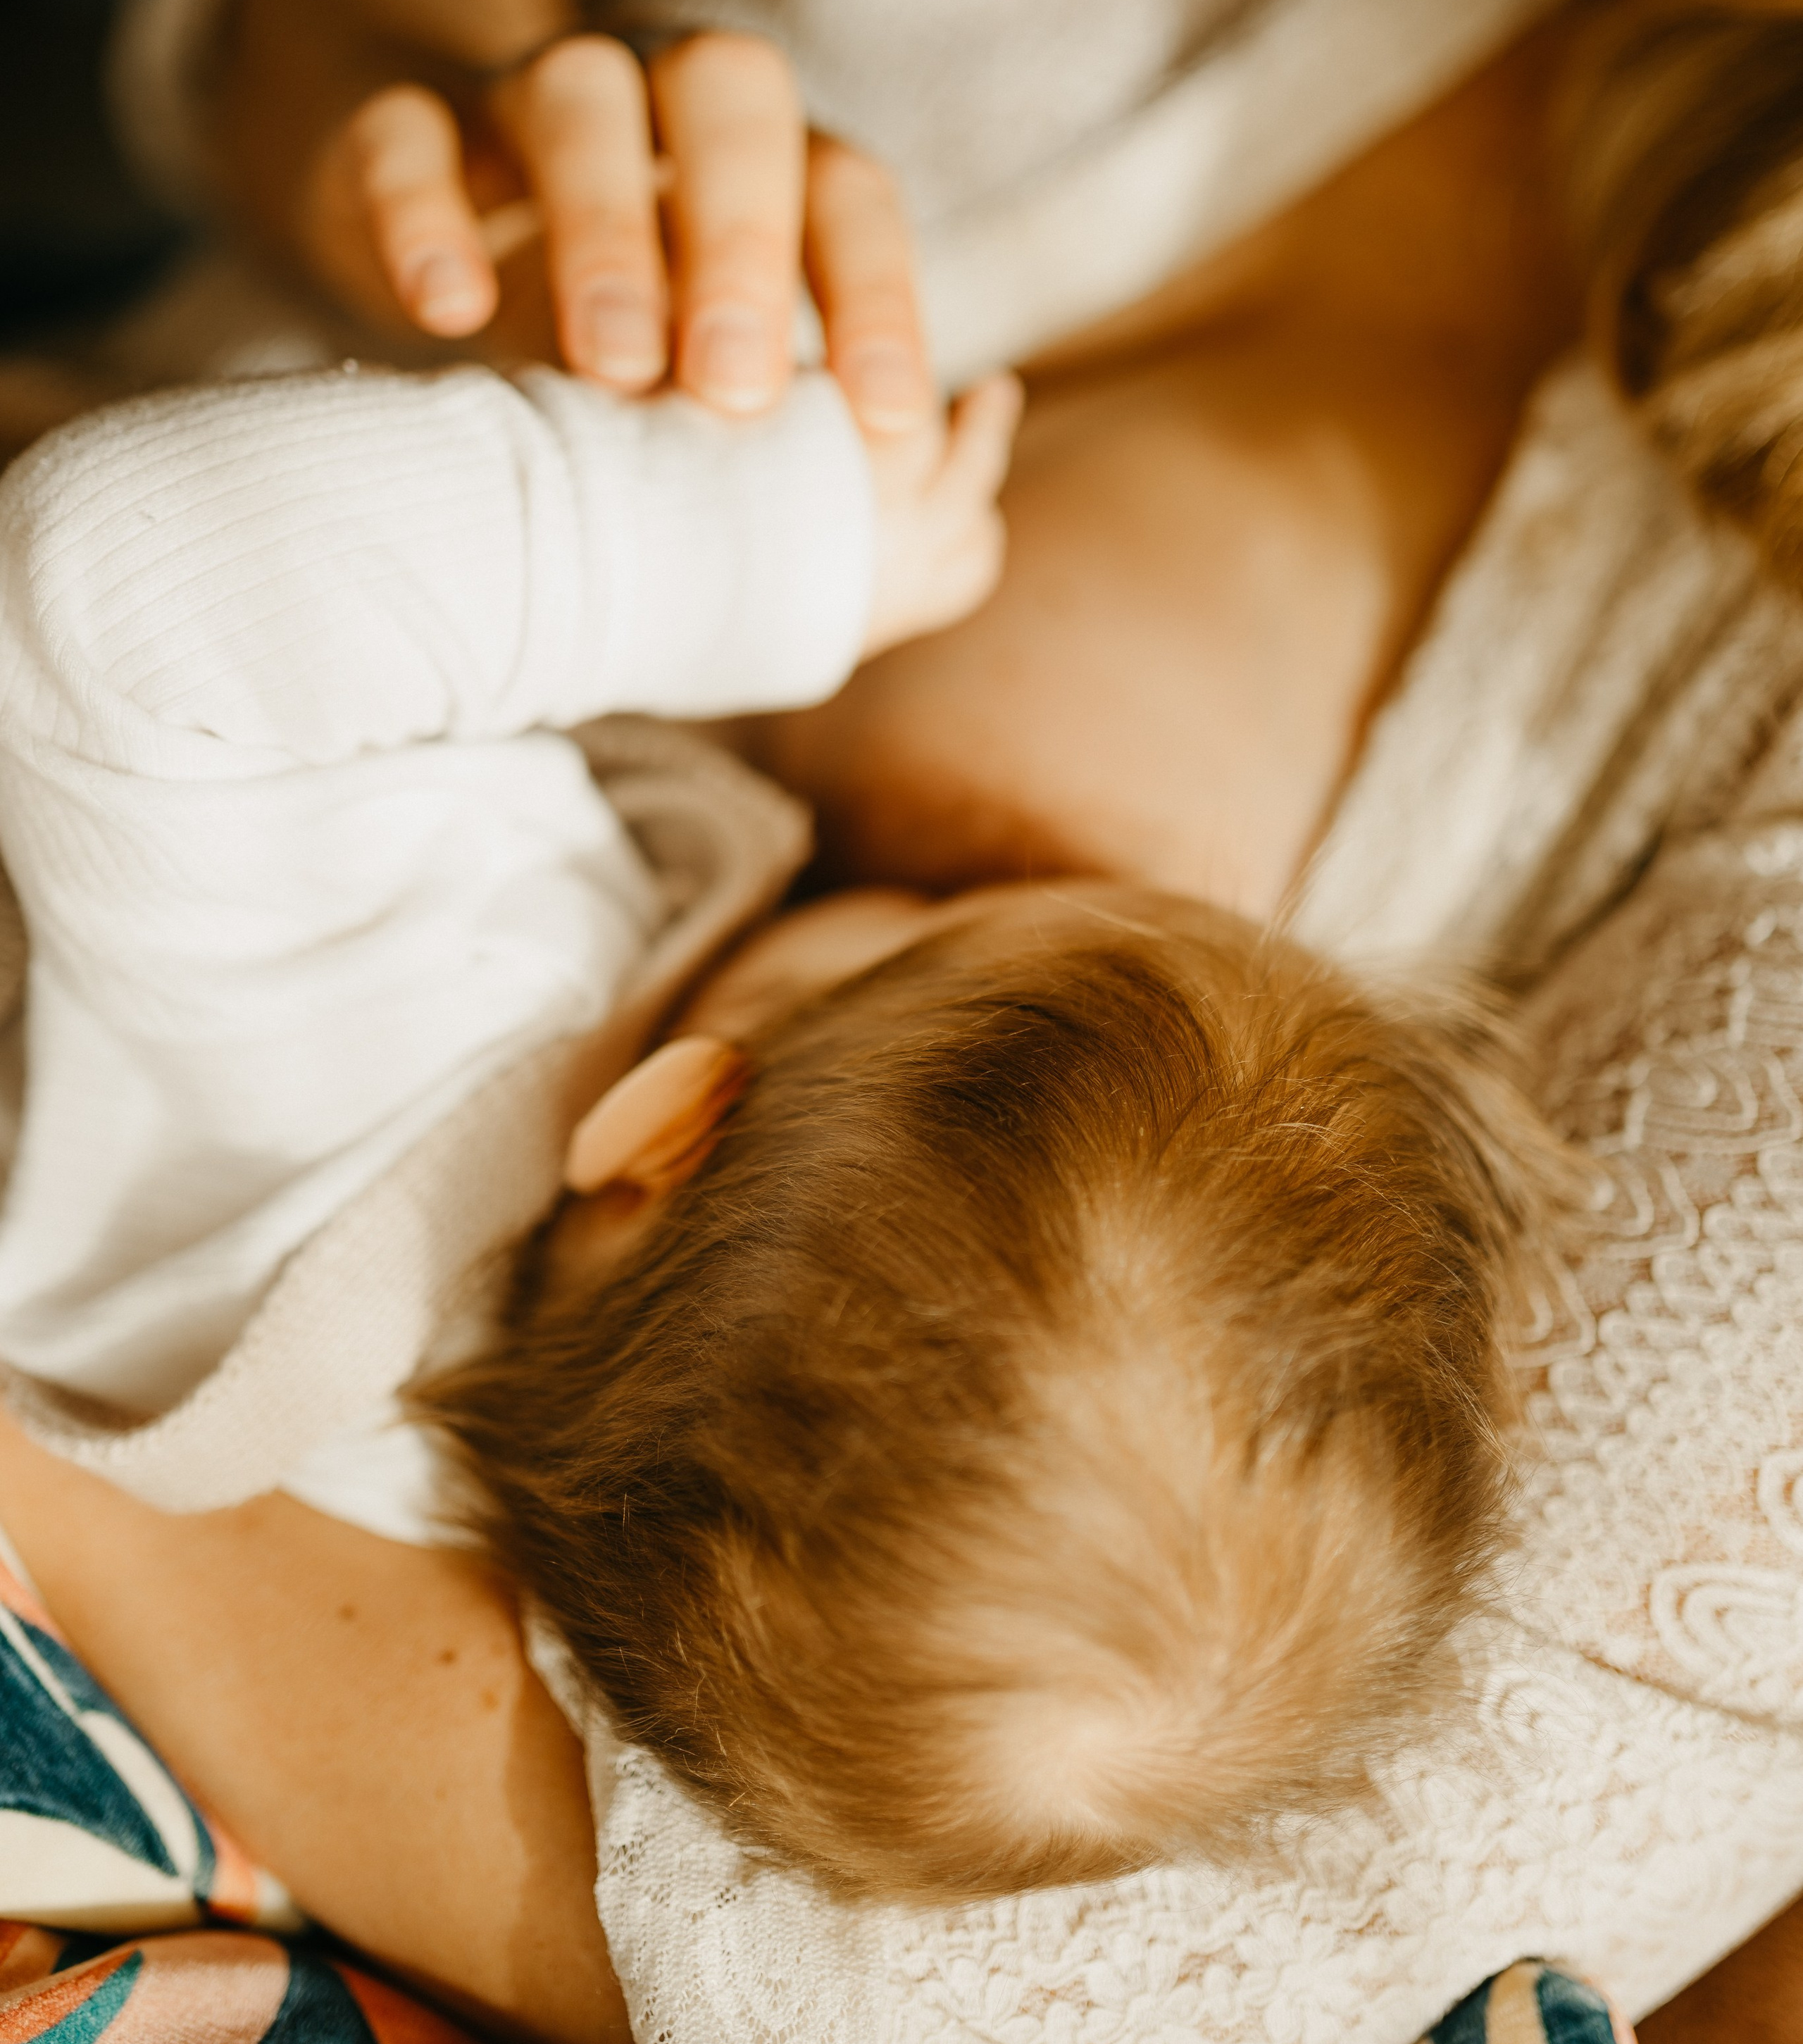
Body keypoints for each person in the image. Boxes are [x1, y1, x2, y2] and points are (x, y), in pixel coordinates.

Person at [6, 0, 1803, 2044]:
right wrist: (469, 113)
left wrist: (731, 557)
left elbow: (1151, 1966)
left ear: (669, 1125)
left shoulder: (429, 1051)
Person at [0, 366, 1554, 1908]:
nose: (857, 877)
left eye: (927, 921)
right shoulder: (383, 1497)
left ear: (670, 1121)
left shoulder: (428, 1013)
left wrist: (746, 555)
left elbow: (108, 583)